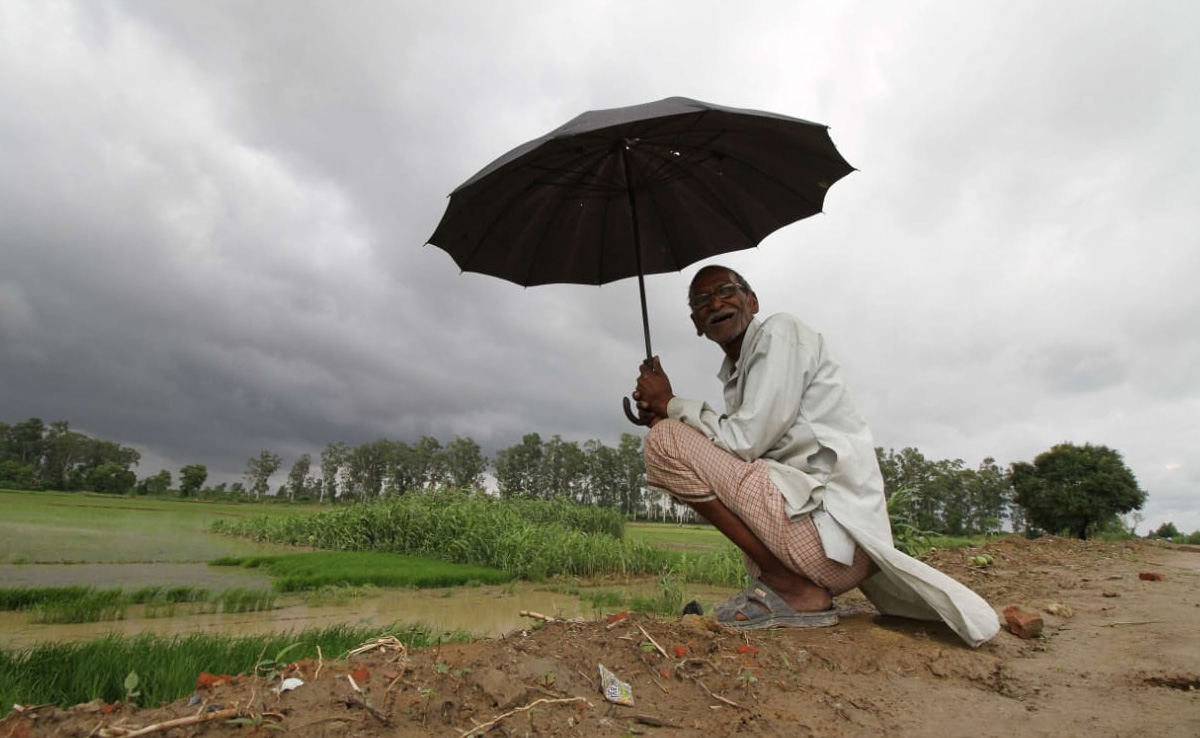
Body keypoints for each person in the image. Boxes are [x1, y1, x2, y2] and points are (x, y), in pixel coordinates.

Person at [631, 265, 999, 647]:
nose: (716, 303)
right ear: (696, 324)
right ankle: (788, 585)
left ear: (751, 301)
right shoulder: (739, 372)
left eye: (726, 290)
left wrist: (670, 405)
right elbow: (733, 446)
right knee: (669, 435)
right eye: (702, 301)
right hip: (826, 546)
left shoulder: (780, 333)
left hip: (830, 540)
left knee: (666, 441)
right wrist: (663, 410)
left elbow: (744, 440)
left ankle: (790, 587)